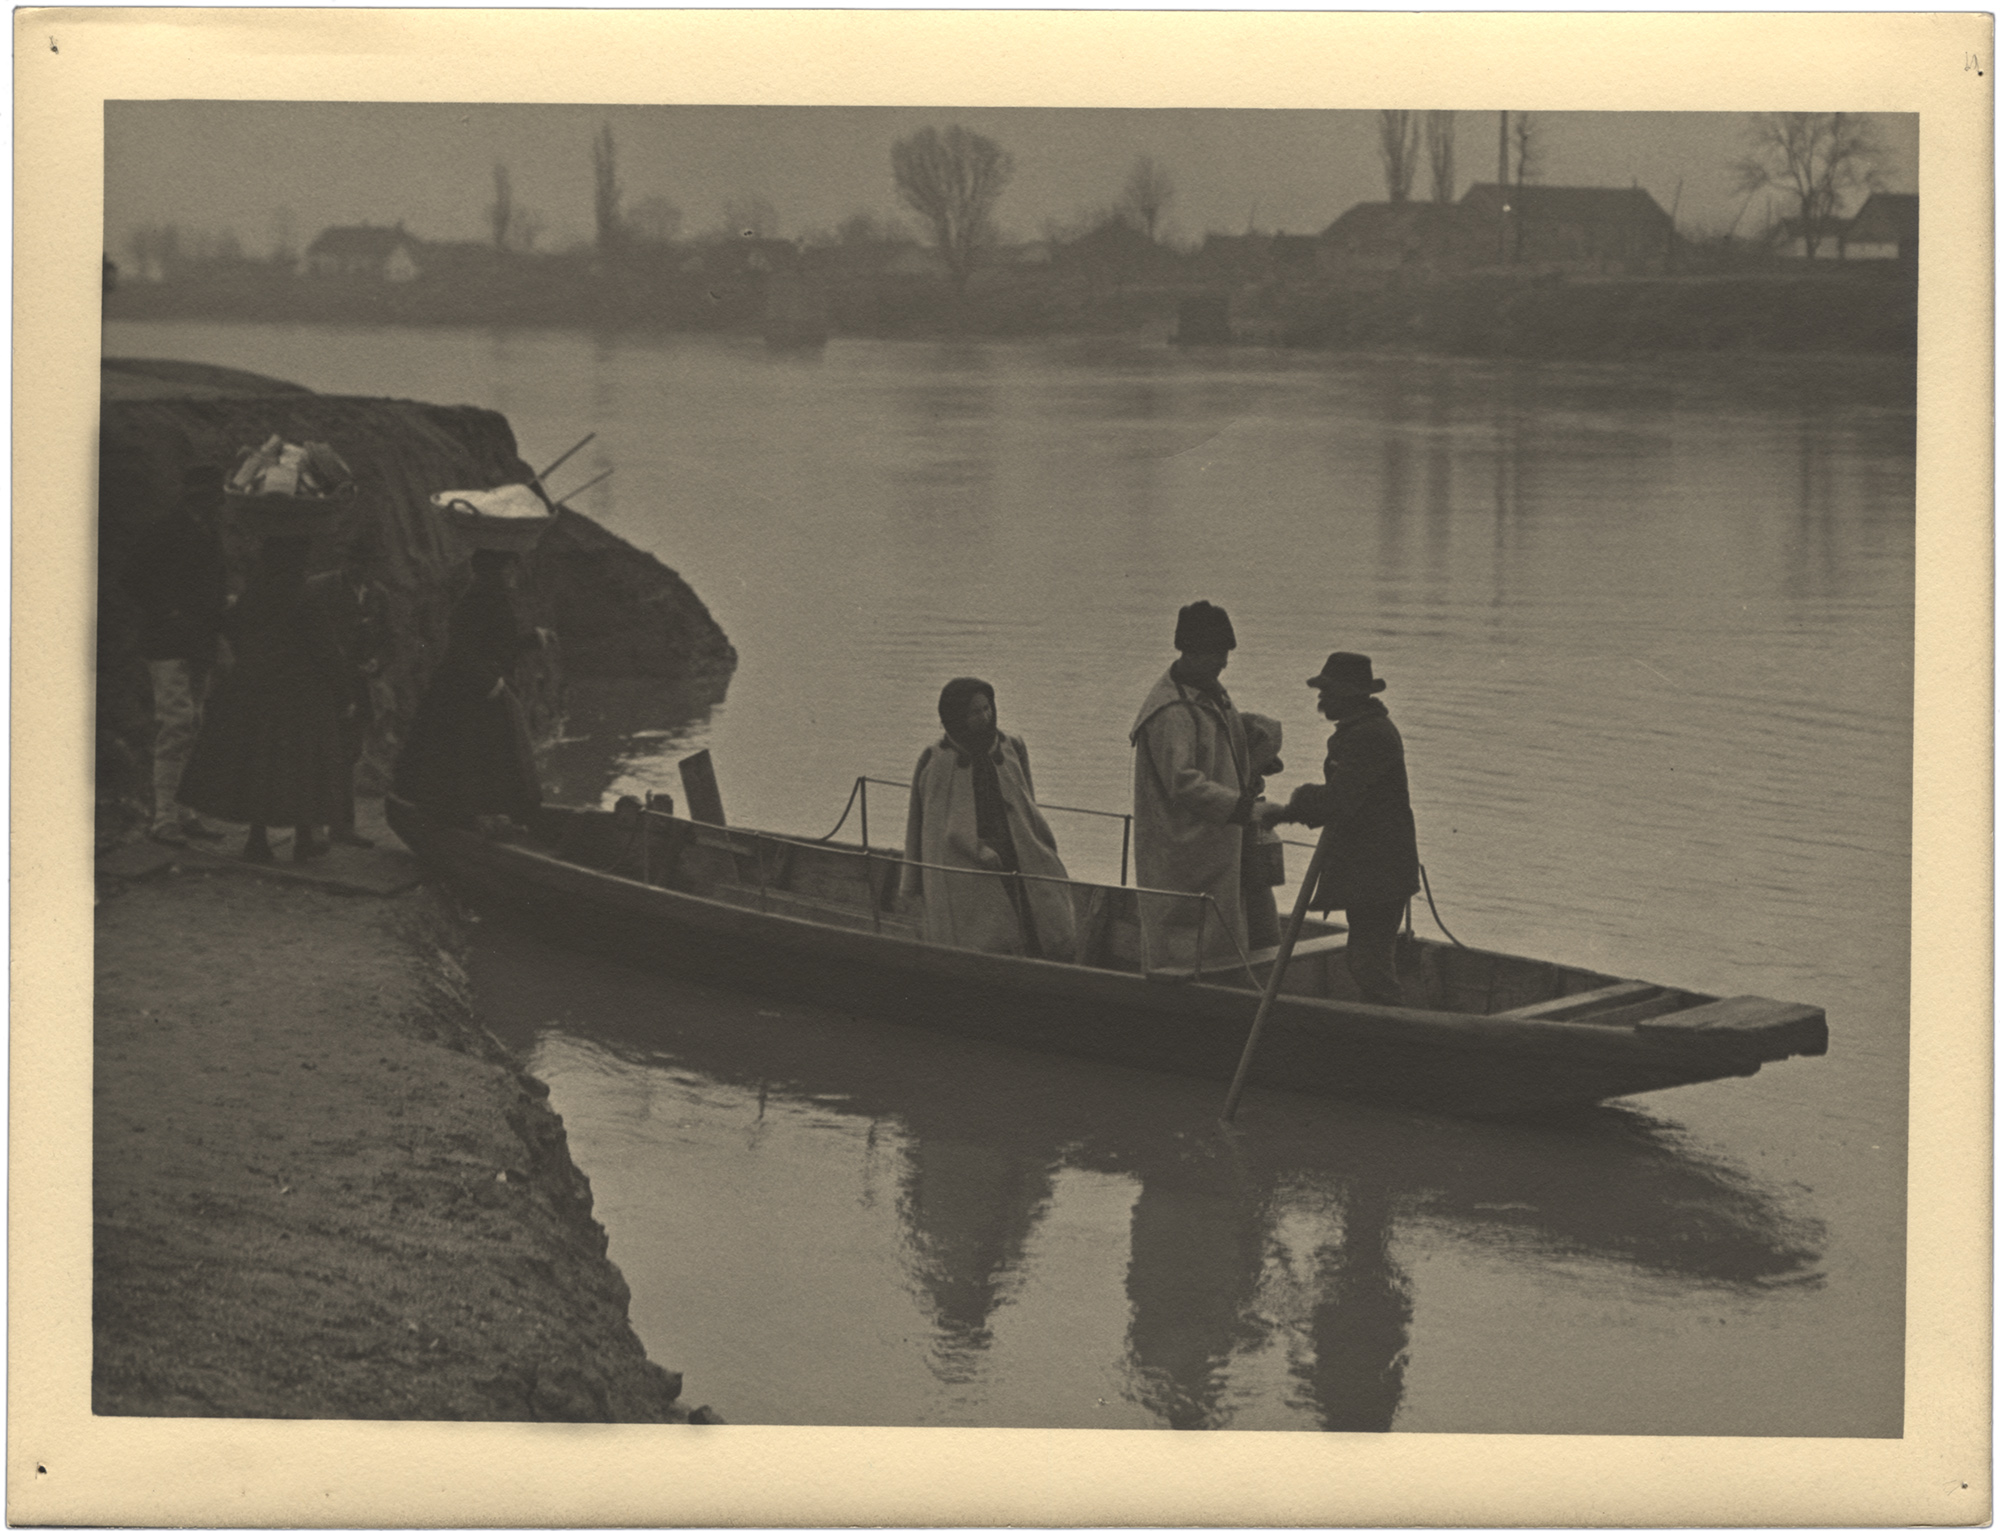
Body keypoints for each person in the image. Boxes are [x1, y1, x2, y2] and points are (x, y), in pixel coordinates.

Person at [177, 533, 351, 864]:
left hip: (252, 688)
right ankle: (303, 838)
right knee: (300, 764)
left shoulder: (254, 595)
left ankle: (257, 841)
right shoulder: (305, 596)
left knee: (258, 765)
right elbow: (325, 649)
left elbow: (230, 625)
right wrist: (344, 691)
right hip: (299, 693)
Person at [1128, 601, 1283, 972]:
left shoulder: (1209, 693)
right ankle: (1204, 993)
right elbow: (1184, 783)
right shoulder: (1171, 712)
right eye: (1218, 654)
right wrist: (1242, 808)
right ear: (1191, 651)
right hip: (1187, 846)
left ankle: (1236, 980)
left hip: (1221, 839)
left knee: (1230, 923)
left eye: (1226, 653)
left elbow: (1220, 745)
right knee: (1193, 935)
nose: (1225, 662)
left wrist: (1252, 754)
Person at [1272, 652, 1421, 1006]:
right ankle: (1384, 1030)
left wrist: (1287, 809)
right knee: (1365, 960)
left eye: (1328, 691)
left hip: (1379, 872)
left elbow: (1339, 800)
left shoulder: (1369, 736)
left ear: (1350, 695)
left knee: (1368, 963)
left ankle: (1392, 1037)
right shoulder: (1361, 730)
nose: (1321, 698)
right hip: (1372, 870)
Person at [901, 677, 1077, 961]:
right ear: (956, 716)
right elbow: (937, 830)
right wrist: (977, 848)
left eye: (987, 708)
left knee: (1043, 906)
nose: (985, 717)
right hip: (967, 859)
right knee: (986, 928)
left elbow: (1026, 805)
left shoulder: (1009, 748)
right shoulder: (940, 763)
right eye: (974, 712)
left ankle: (1043, 955)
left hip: (1015, 845)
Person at [393, 548, 544, 831]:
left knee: (487, 753)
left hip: (484, 686)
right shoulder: (478, 599)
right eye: (509, 568)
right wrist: (489, 682)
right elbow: (462, 650)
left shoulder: (493, 598)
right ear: (495, 571)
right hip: (468, 690)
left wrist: (531, 640)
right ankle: (467, 817)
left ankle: (487, 814)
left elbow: (498, 644)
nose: (514, 574)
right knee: (469, 752)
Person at [124, 461, 230, 845]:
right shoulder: (166, 529)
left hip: (197, 644)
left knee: (194, 725)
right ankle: (164, 818)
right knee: (176, 724)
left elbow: (215, 586)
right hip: (167, 643)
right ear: (194, 496)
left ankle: (183, 811)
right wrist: (167, 611)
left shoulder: (208, 533)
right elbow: (132, 576)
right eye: (208, 496)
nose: (214, 503)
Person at [307, 530, 391, 847]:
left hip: (358, 687)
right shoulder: (319, 588)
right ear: (345, 561)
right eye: (356, 562)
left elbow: (389, 642)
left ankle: (342, 826)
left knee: (349, 753)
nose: (361, 569)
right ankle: (313, 827)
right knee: (319, 751)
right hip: (323, 683)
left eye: (368, 564)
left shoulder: (378, 595)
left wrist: (376, 663)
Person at [1239, 712, 1286, 951]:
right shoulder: (1232, 782)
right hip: (1237, 862)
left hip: (1251, 863)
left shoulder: (1245, 782)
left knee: (1261, 918)